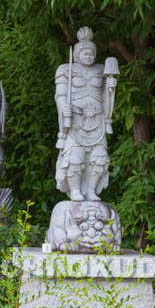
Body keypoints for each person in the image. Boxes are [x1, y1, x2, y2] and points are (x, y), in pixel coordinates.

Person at [54, 26, 119, 201]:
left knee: (99, 157)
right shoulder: (65, 69)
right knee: (74, 156)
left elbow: (106, 95)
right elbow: (60, 95)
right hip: (75, 119)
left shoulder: (101, 70)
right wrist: (63, 107)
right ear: (75, 54)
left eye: (92, 52)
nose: (89, 56)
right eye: (84, 52)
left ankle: (91, 190)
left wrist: (110, 88)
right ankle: (75, 190)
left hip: (97, 119)